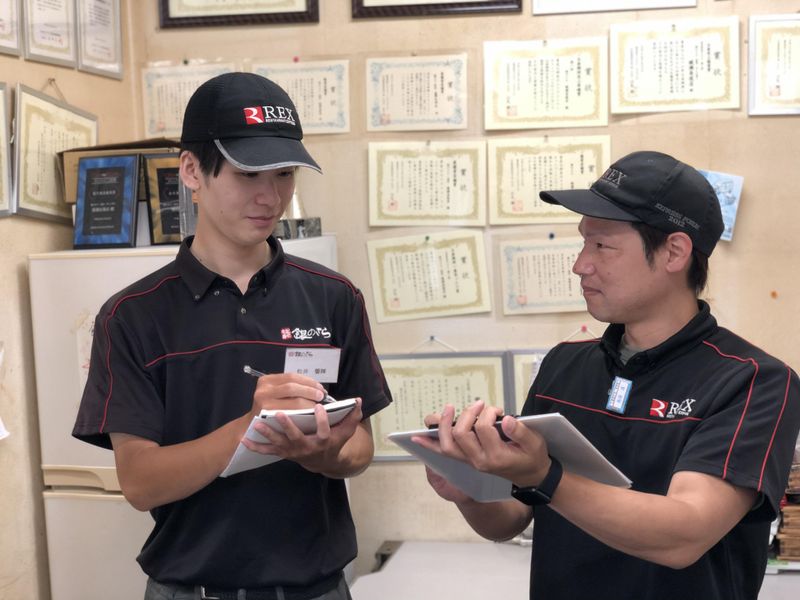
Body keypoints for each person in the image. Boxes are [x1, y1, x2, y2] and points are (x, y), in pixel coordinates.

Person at [417, 151, 800, 600]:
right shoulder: (564, 365)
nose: (580, 265)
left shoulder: (753, 381)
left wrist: (545, 476)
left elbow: (685, 534)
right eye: (584, 243)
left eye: (602, 246)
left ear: (674, 252)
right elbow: (511, 519)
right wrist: (469, 489)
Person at [73, 72, 392, 600]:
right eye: (248, 174)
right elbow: (140, 482)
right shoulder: (132, 315)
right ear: (192, 170)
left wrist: (318, 452)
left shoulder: (334, 297)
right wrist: (251, 430)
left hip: (317, 587)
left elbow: (359, 448)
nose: (271, 197)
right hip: (191, 588)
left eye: (285, 174)